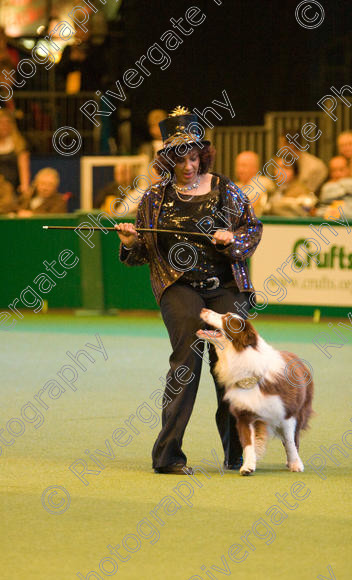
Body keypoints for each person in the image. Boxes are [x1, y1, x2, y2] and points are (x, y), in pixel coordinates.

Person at [115, 107, 262, 475]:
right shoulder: (154, 198)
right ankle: (167, 457)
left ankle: (238, 454)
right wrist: (132, 241)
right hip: (178, 286)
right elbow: (140, 255)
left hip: (225, 286)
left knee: (232, 363)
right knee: (187, 359)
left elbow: (252, 231)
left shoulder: (228, 189)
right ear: (168, 161)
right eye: (180, 159)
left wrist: (232, 239)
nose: (189, 166)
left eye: (194, 157)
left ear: (203, 155)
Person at [234, 150, 275, 216]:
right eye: (238, 166)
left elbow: (248, 206)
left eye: (244, 166)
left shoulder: (263, 182)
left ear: (255, 168)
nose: (240, 170)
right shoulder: (236, 185)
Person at [0, 109, 30, 196]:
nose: (4, 126)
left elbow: (24, 168)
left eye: (7, 123)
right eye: (1, 123)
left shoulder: (19, 144)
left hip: (13, 189)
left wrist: (25, 186)